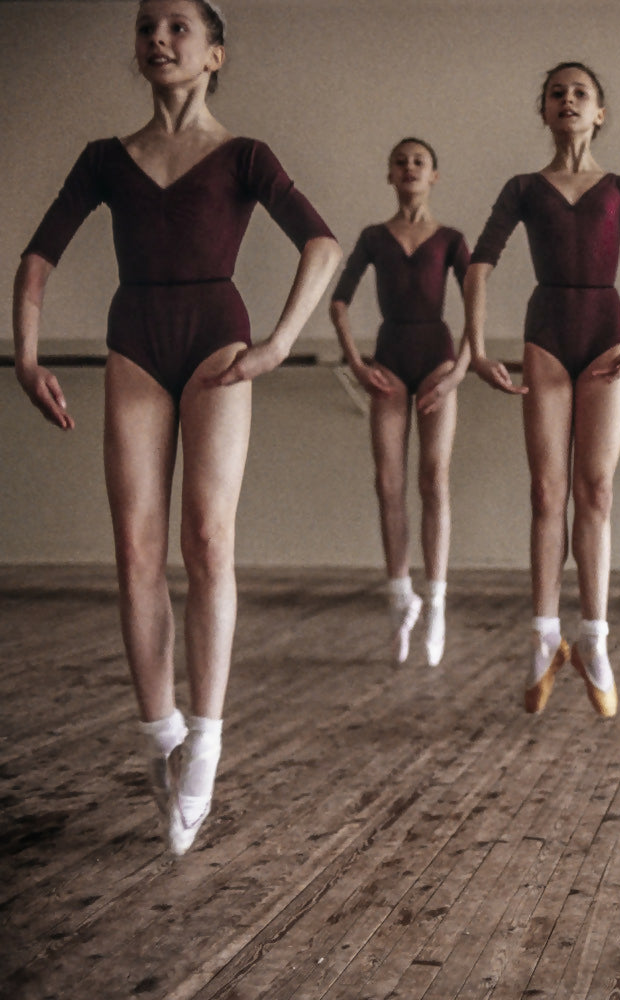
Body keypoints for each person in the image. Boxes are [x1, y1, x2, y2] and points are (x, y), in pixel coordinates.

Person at [11, 0, 340, 854]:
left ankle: (209, 737)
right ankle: (160, 733)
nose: (157, 39)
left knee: (207, 540)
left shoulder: (244, 157)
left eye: (177, 28)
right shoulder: (105, 160)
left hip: (216, 343)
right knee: (133, 547)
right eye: (146, 27)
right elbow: (38, 254)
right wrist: (27, 355)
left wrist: (276, 345)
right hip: (135, 340)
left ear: (214, 54)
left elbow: (324, 246)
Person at [464, 62, 620, 719]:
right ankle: (542, 635)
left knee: (596, 489)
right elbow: (480, 263)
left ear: (600, 112)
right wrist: (475, 345)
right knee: (546, 489)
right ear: (544, 111)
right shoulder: (524, 188)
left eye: (580, 93)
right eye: (556, 93)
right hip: (548, 334)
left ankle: (593, 637)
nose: (568, 100)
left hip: (605, 336)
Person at [330, 138, 470, 668]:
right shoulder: (373, 236)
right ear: (389, 174)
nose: (409, 168)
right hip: (388, 358)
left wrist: (459, 369)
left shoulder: (452, 239)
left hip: (436, 355)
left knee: (434, 479)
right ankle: (399, 598)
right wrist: (356, 363)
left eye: (420, 162)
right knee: (388, 482)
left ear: (434, 175)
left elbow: (474, 305)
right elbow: (338, 302)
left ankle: (435, 602)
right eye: (401, 162)